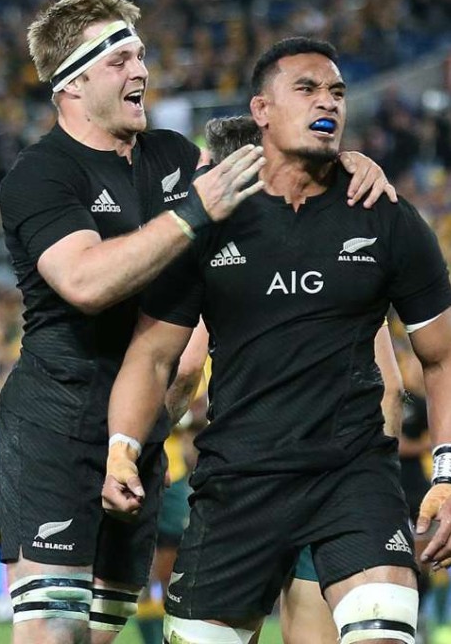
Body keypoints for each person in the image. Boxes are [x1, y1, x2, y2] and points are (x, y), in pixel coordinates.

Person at [0, 0, 393, 643]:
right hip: (55, 427)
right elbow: (85, 281)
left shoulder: (173, 157)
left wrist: (340, 162)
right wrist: (191, 212)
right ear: (73, 80)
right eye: (120, 58)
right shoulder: (41, 176)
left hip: (141, 428)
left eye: (142, 55)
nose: (141, 72)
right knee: (54, 631)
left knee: (101, 630)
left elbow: (274, 186)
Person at [103, 37, 451, 644]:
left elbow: (442, 355)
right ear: (262, 110)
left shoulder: (383, 213)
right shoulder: (207, 219)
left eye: (338, 92)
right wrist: (122, 445)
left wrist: (447, 472)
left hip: (351, 474)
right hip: (240, 480)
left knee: (383, 631)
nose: (330, 103)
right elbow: (156, 355)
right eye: (309, 89)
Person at [203, 115, 410, 644]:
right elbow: (388, 387)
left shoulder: (218, 251)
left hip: (248, 478)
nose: (197, 178)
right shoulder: (339, 251)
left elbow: (178, 369)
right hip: (334, 479)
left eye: (206, 166)